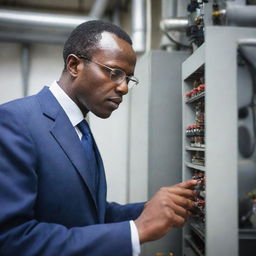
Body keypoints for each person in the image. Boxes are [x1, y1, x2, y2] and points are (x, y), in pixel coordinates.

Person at [0, 20, 197, 256]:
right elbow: (12, 240)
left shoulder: (79, 127)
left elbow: (89, 214)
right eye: (115, 73)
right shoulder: (14, 122)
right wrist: (136, 231)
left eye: (128, 79)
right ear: (74, 65)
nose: (123, 88)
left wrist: (149, 210)